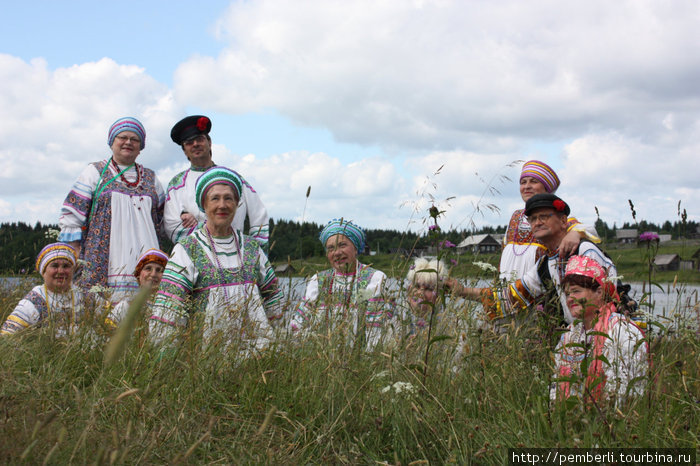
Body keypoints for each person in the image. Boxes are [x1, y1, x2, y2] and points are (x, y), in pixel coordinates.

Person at [149, 167, 283, 350]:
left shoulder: (252, 248)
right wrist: (165, 353)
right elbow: (169, 310)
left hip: (259, 355)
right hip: (207, 360)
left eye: (229, 198)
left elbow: (274, 299)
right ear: (203, 204)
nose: (222, 205)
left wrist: (284, 339)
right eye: (215, 198)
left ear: (237, 203)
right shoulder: (187, 250)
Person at [449, 193, 615, 330]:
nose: (537, 222)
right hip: (581, 335)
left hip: (608, 331)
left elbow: (611, 294)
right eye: (533, 219)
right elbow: (510, 296)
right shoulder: (545, 265)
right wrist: (461, 290)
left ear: (564, 221)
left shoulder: (584, 249)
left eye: (544, 216)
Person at [58, 117, 164, 302]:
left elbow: (163, 217)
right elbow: (72, 213)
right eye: (122, 137)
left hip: (146, 256)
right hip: (101, 255)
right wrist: (74, 251)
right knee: (99, 309)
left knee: (144, 310)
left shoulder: (151, 178)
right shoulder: (95, 172)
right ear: (112, 142)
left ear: (141, 147)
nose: (128, 142)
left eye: (135, 139)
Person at [551, 255, 649, 403]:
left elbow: (624, 392)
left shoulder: (621, 331)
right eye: (567, 294)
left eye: (576, 291)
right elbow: (557, 383)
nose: (570, 298)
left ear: (599, 292)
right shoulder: (571, 334)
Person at [164, 115, 269, 249]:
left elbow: (259, 213)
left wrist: (255, 251)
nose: (195, 144)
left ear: (209, 142)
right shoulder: (176, 185)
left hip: (236, 252)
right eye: (189, 142)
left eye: (199, 139)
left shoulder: (233, 179)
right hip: (197, 258)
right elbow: (171, 224)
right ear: (184, 151)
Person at [290, 219, 388, 349]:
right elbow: (299, 324)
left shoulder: (374, 278)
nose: (336, 253)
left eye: (342, 245)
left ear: (355, 248)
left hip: (361, 360)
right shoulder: (319, 281)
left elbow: (376, 328)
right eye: (331, 248)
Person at [500, 160, 599, 283]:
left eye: (533, 181)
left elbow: (586, 230)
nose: (526, 186)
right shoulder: (516, 216)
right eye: (523, 182)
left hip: (538, 286)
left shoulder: (557, 219)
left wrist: (575, 234)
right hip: (507, 287)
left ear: (547, 188)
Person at [1, 243, 106, 336]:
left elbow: (111, 315)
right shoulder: (35, 299)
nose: (60, 271)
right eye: (55, 266)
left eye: (66, 266)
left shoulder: (83, 295)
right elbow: (8, 334)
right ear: (44, 271)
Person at [107, 248, 168, 327]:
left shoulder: (169, 313)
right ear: (139, 275)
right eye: (148, 268)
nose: (153, 274)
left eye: (159, 270)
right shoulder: (125, 308)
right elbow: (104, 335)